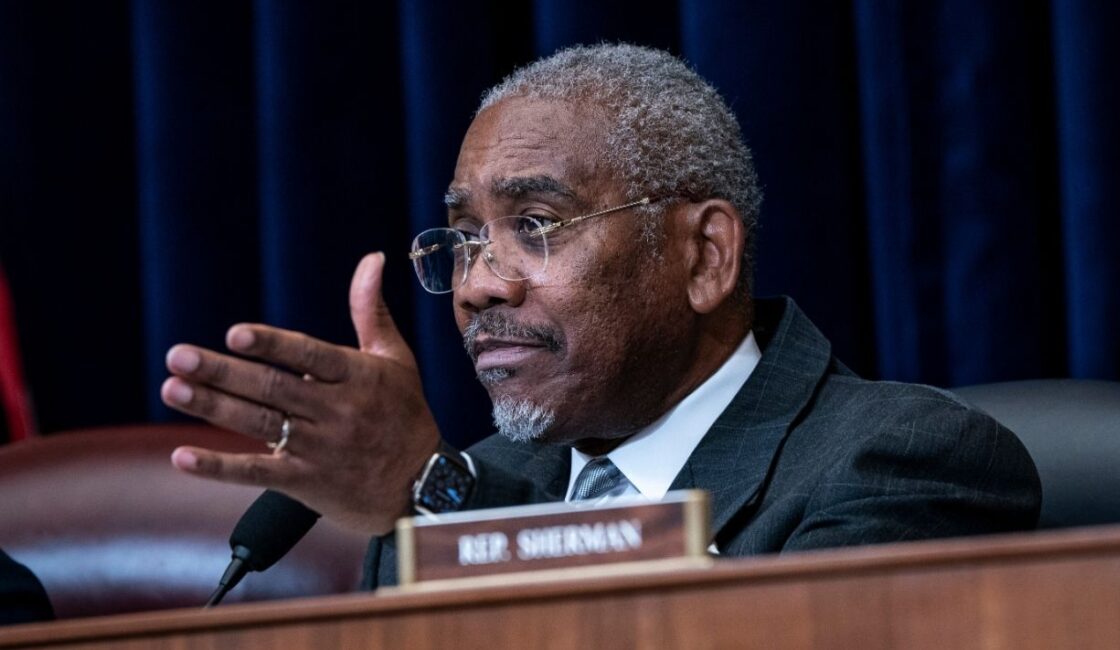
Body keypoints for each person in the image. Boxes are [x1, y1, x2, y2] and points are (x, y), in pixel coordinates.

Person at [160, 44, 1040, 588]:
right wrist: (436, 500)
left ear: (704, 257)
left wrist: (437, 498)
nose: (477, 286)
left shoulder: (905, 463)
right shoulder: (466, 486)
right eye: (466, 238)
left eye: (536, 227)